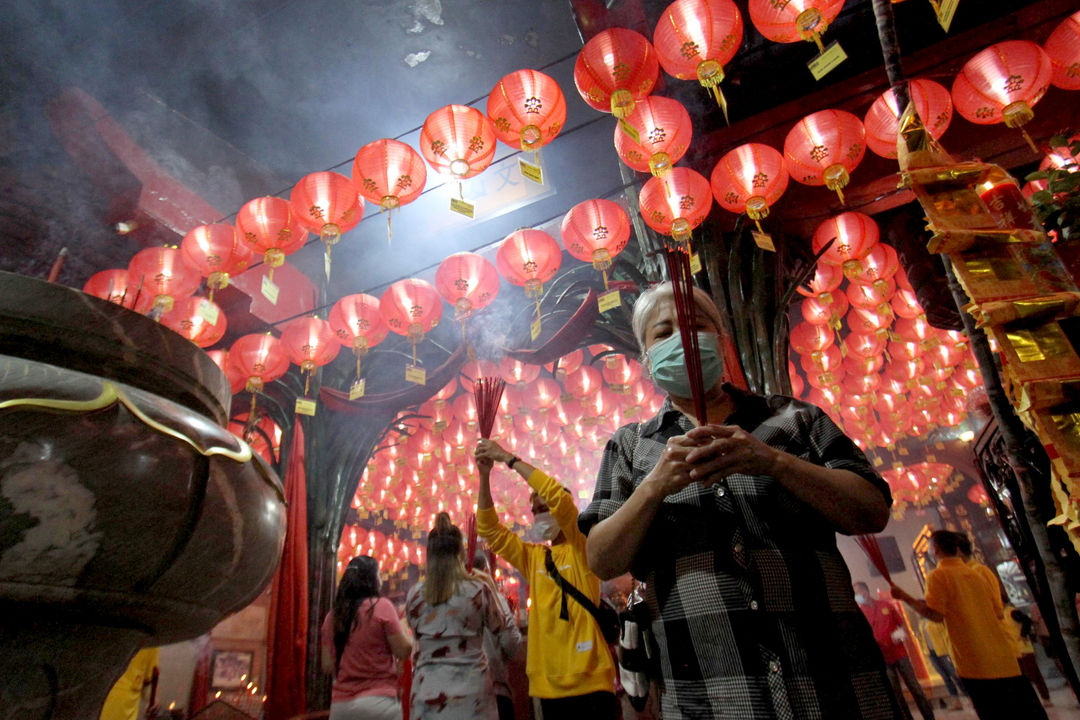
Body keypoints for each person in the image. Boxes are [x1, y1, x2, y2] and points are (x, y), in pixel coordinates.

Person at [579, 281, 903, 719]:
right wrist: (654, 486)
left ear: (722, 341)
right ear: (647, 361)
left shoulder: (793, 419)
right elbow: (601, 558)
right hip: (710, 698)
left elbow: (872, 509)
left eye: (697, 325)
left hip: (836, 686)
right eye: (663, 332)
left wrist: (774, 463)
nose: (683, 339)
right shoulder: (631, 447)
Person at [474, 438, 618, 717]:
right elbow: (488, 529)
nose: (540, 515)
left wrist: (510, 459)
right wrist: (484, 476)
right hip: (548, 686)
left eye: (545, 508)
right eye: (535, 511)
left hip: (591, 679)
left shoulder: (582, 546)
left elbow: (560, 500)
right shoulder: (533, 558)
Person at [891, 530, 1048, 720]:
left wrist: (904, 597)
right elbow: (997, 611)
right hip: (1002, 655)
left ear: (936, 550)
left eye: (931, 546)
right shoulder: (975, 573)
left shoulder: (938, 576)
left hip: (974, 660)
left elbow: (935, 615)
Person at [405, 512, 517, 720]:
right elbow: (508, 637)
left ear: (428, 555)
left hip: (427, 700)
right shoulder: (477, 590)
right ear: (462, 555)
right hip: (473, 702)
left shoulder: (415, 596)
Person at [320, 555, 413, 720]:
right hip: (379, 704)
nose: (381, 580)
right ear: (372, 580)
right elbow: (403, 650)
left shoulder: (333, 616)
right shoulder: (381, 607)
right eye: (379, 575)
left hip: (342, 707)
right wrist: (405, 624)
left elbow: (327, 665)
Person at [853, 582, 936, 720]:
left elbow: (902, 624)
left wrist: (901, 634)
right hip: (882, 658)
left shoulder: (885, 605)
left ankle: (929, 716)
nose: (856, 597)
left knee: (915, 688)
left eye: (857, 593)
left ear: (865, 592)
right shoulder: (860, 614)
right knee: (896, 694)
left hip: (899, 654)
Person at [471, 551, 523, 720]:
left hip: (465, 698)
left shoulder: (454, 604)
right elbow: (513, 645)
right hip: (496, 693)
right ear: (486, 571)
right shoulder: (495, 600)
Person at [1001, 602, 1052, 706]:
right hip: (1014, 651)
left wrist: (1023, 635)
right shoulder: (1001, 615)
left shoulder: (1011, 612)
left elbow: (1027, 621)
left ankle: (1045, 697)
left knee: (1034, 675)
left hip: (1024, 649)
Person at [100, 647, 158, 720]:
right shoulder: (150, 642)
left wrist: (152, 705)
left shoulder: (150, 645)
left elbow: (150, 679)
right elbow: (148, 686)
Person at [920, 617, 964, 711]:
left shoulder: (937, 619)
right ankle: (956, 701)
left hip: (943, 651)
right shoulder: (922, 622)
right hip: (931, 652)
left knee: (954, 674)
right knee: (945, 677)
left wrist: (949, 649)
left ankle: (968, 696)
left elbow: (946, 633)